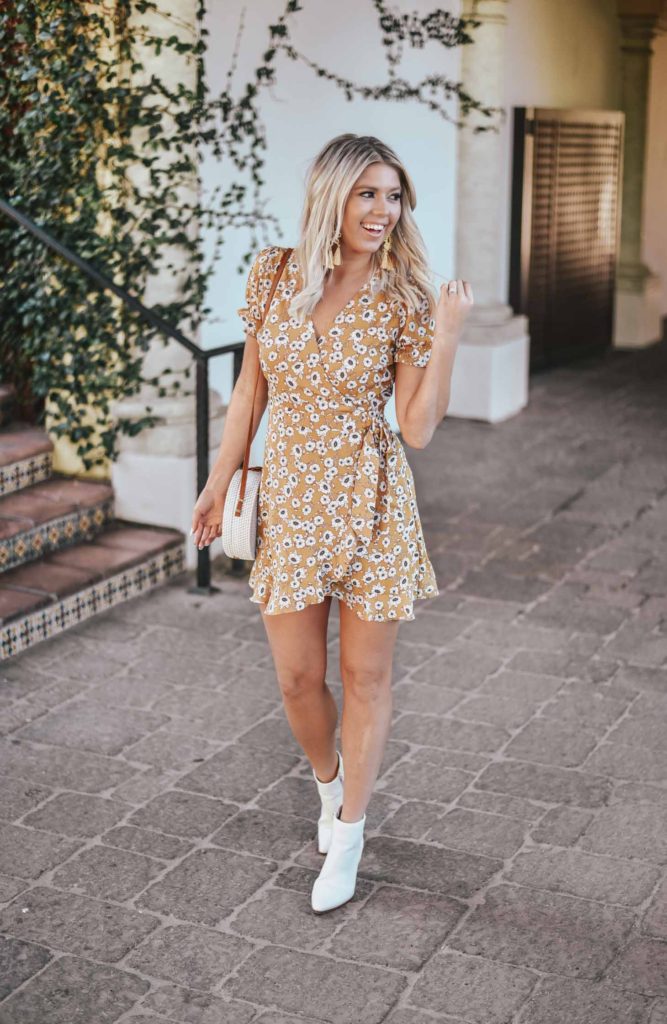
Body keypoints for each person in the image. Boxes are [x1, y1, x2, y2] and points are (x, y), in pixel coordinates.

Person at [190, 133, 473, 913]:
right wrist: (219, 481)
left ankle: (349, 833)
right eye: (367, 194)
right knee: (296, 679)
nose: (383, 211)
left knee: (365, 677)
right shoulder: (275, 272)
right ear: (332, 196)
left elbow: (415, 427)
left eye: (392, 195)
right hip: (288, 499)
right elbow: (250, 391)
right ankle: (328, 785)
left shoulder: (407, 295)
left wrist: (445, 336)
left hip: (370, 497)